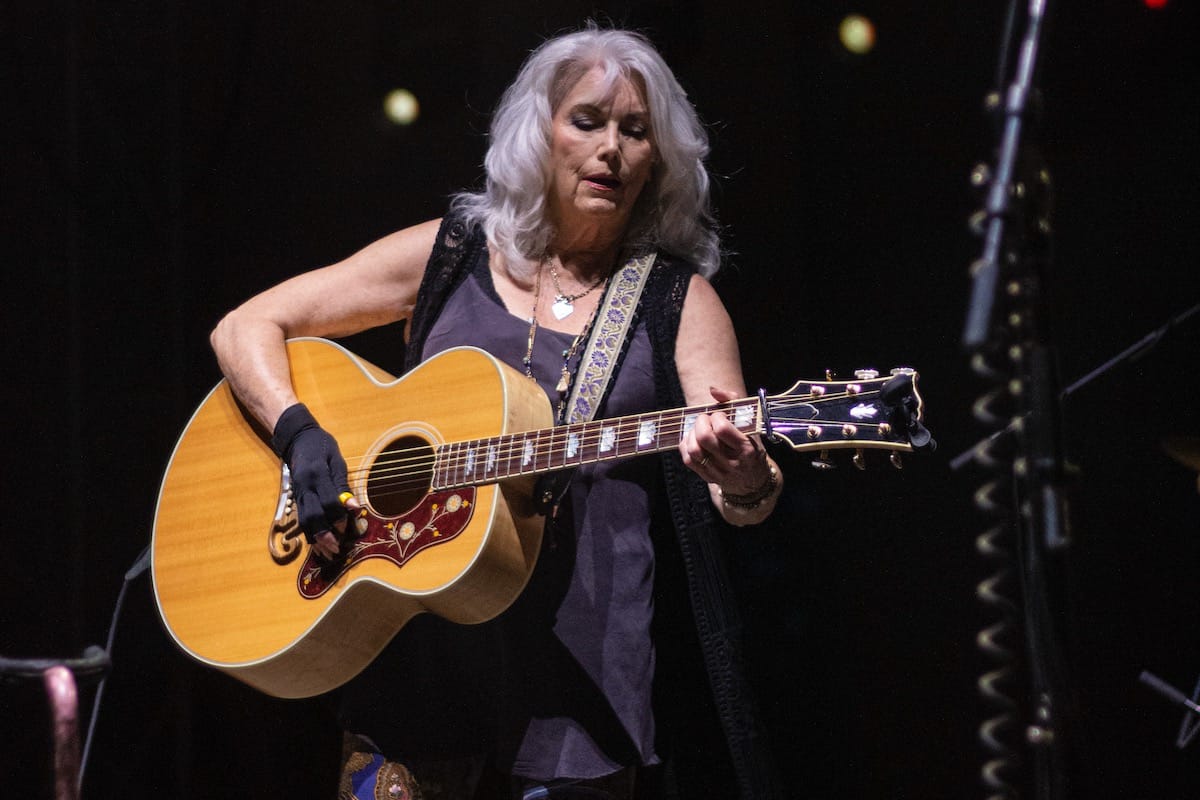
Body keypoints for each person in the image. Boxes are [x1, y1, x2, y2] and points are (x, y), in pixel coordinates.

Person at [210, 24, 783, 800]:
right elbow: (245, 325)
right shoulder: (450, 255)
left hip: (583, 690)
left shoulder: (678, 302)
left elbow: (742, 490)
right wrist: (298, 430)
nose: (610, 149)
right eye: (587, 121)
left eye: (635, 131)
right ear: (538, 133)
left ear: (659, 159)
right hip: (418, 666)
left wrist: (746, 480)